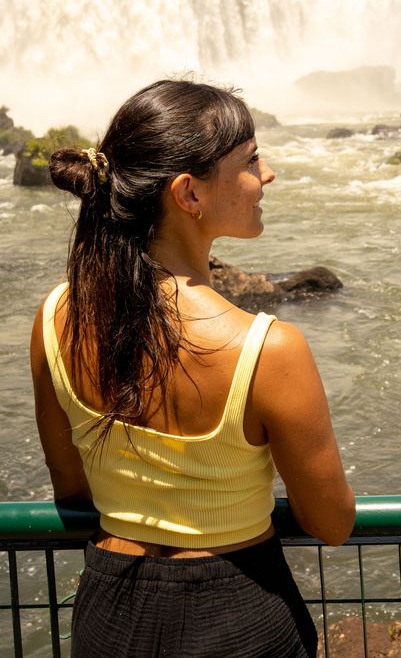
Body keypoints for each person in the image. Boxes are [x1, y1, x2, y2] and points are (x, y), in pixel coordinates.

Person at [30, 78, 356, 658]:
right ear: (188, 193)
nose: (268, 174)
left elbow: (72, 487)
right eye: (251, 160)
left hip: (108, 616)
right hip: (240, 613)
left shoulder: (55, 318)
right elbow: (330, 524)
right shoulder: (269, 349)